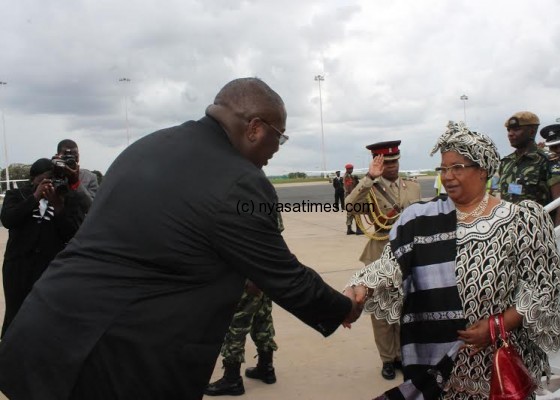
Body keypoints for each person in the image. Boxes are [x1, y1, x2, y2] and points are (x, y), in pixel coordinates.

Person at [0, 78, 360, 400]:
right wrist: (344, 307)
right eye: (278, 136)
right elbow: (283, 276)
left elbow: (157, 241)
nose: (278, 148)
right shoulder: (239, 180)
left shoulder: (146, 147)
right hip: (109, 362)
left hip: (42, 336)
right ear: (254, 128)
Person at [343, 121, 560, 399]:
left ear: (483, 170)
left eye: (457, 167)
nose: (447, 176)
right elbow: (390, 265)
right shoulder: (419, 218)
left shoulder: (521, 219)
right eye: (443, 168)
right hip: (435, 361)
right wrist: (359, 288)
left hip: (497, 365)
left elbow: (543, 288)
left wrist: (498, 325)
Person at [345, 140, 421, 380]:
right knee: (381, 310)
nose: (392, 167)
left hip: (407, 255)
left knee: (405, 308)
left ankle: (403, 355)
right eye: (386, 163)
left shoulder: (413, 187)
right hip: (379, 255)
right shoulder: (370, 188)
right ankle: (388, 359)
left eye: (395, 161)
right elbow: (350, 206)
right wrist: (369, 178)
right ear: (378, 163)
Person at [0, 158, 90, 337]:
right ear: (34, 179)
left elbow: (72, 234)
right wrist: (35, 197)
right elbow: (8, 220)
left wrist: (57, 206)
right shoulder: (16, 195)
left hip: (49, 268)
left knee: (46, 318)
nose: (50, 184)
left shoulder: (65, 198)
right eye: (45, 179)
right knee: (16, 316)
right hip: (18, 268)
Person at [204, 213, 285, 397]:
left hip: (244, 272)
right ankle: (266, 368)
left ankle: (232, 379)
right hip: (265, 271)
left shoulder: (239, 196)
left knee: (236, 325)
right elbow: (274, 235)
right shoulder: (264, 194)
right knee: (262, 317)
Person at [498, 111, 560, 225]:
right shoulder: (506, 162)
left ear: (531, 131)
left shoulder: (547, 161)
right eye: (509, 130)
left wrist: (558, 236)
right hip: (510, 231)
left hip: (538, 232)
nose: (510, 134)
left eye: (516, 129)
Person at [343, 163, 361, 234]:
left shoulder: (350, 176)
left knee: (350, 214)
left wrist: (356, 180)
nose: (351, 170)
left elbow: (355, 185)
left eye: (352, 169)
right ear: (347, 169)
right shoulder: (347, 177)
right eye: (350, 169)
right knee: (357, 212)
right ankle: (358, 229)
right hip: (351, 196)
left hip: (350, 197)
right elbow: (349, 187)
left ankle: (349, 229)